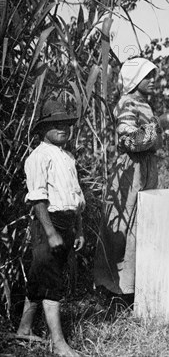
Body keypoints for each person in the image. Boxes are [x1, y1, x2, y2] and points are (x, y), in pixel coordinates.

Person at [94, 57, 169, 303]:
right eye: (147, 77)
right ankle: (114, 289)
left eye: (153, 76)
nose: (152, 81)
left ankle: (134, 287)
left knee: (141, 226)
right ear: (134, 80)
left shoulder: (144, 104)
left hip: (146, 168)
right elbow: (129, 140)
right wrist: (157, 125)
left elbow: (158, 133)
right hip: (131, 170)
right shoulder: (127, 102)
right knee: (124, 224)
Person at [16, 98, 85, 357]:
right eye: (56, 125)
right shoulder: (39, 156)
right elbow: (38, 198)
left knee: (39, 277)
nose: (63, 129)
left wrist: (78, 229)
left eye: (66, 124)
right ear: (43, 129)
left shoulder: (67, 157)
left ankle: (24, 329)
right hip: (49, 224)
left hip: (67, 222)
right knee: (51, 281)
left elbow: (76, 197)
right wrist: (51, 232)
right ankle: (59, 343)